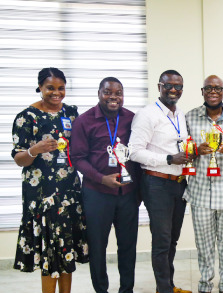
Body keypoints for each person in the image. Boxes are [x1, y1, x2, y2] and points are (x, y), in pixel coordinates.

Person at [11, 67, 88, 293]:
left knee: (66, 251)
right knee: (50, 255)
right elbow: (19, 159)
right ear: (40, 88)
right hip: (42, 196)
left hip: (69, 192)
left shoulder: (72, 113)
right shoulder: (26, 117)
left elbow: (82, 147)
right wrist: (34, 149)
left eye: (61, 88)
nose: (56, 93)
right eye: (50, 88)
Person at [71, 77, 140, 293]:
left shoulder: (131, 118)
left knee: (128, 247)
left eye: (118, 93)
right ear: (99, 93)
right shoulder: (84, 120)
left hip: (127, 194)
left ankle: (126, 289)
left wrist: (139, 192)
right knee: (98, 248)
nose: (113, 97)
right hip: (97, 194)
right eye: (108, 92)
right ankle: (101, 289)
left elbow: (138, 154)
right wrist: (102, 178)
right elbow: (78, 158)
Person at [129, 70, 191, 293]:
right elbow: (134, 152)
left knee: (173, 239)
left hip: (179, 183)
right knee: (162, 241)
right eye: (169, 85)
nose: (173, 90)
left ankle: (167, 286)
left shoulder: (180, 115)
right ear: (159, 87)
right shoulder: (147, 114)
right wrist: (168, 158)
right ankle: (163, 289)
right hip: (156, 184)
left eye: (178, 86)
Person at [185, 75, 223, 293]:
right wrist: (194, 150)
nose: (213, 92)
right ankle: (205, 283)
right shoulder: (189, 117)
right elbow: (182, 150)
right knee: (204, 245)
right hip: (200, 193)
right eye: (209, 88)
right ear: (202, 91)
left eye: (217, 88)